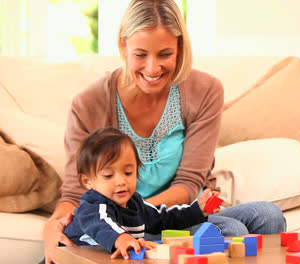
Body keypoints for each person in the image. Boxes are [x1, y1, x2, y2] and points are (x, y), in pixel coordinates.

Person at [42, 0, 286, 263]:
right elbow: (76, 191)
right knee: (230, 231)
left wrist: (144, 212)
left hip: (162, 215)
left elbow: (190, 182)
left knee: (269, 215)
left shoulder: (205, 90)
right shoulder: (87, 103)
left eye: (165, 54)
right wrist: (53, 225)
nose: (152, 68)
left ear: (180, 48)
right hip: (119, 225)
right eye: (140, 55)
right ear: (123, 46)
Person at [63, 127, 218, 259]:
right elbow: (101, 224)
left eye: (128, 172)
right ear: (87, 181)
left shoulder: (136, 204)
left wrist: (196, 209)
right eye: (109, 176)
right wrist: (123, 239)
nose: (121, 181)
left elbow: (163, 219)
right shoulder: (92, 206)